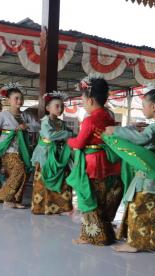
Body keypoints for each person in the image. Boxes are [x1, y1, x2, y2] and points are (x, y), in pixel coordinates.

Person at [103, 83, 155, 256]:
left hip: (152, 173)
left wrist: (116, 131)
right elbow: (146, 136)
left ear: (153, 106)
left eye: (143, 105)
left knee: (138, 205)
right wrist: (134, 128)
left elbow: (142, 139)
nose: (142, 109)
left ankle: (135, 243)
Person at [67, 75, 122, 246]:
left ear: (90, 100)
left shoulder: (90, 120)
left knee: (89, 199)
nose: (82, 103)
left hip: (93, 164)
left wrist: (68, 141)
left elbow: (79, 143)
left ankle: (91, 236)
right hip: (109, 164)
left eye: (82, 100)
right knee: (103, 200)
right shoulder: (108, 116)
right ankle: (107, 234)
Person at [31, 91, 74, 215]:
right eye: (57, 106)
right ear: (48, 108)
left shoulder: (62, 123)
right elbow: (49, 135)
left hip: (59, 155)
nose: (60, 109)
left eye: (62, 106)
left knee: (64, 179)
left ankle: (63, 207)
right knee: (43, 181)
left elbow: (72, 134)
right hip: (46, 154)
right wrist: (67, 134)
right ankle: (41, 207)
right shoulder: (45, 121)